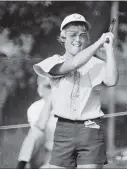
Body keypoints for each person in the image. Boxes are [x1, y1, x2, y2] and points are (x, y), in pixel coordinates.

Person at [33, 13, 118, 169]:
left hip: (91, 129)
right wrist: (99, 42)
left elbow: (111, 80)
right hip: (63, 130)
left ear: (87, 39)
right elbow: (73, 64)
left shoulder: (96, 63)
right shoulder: (53, 61)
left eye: (83, 35)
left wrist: (109, 50)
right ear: (63, 37)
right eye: (73, 34)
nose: (78, 39)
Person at [16, 76, 57, 169]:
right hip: (43, 152)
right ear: (40, 89)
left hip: (61, 155)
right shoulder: (35, 108)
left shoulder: (68, 107)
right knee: (34, 133)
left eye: (55, 86)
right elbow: (40, 126)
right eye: (48, 86)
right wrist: (49, 103)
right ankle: (21, 164)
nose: (53, 89)